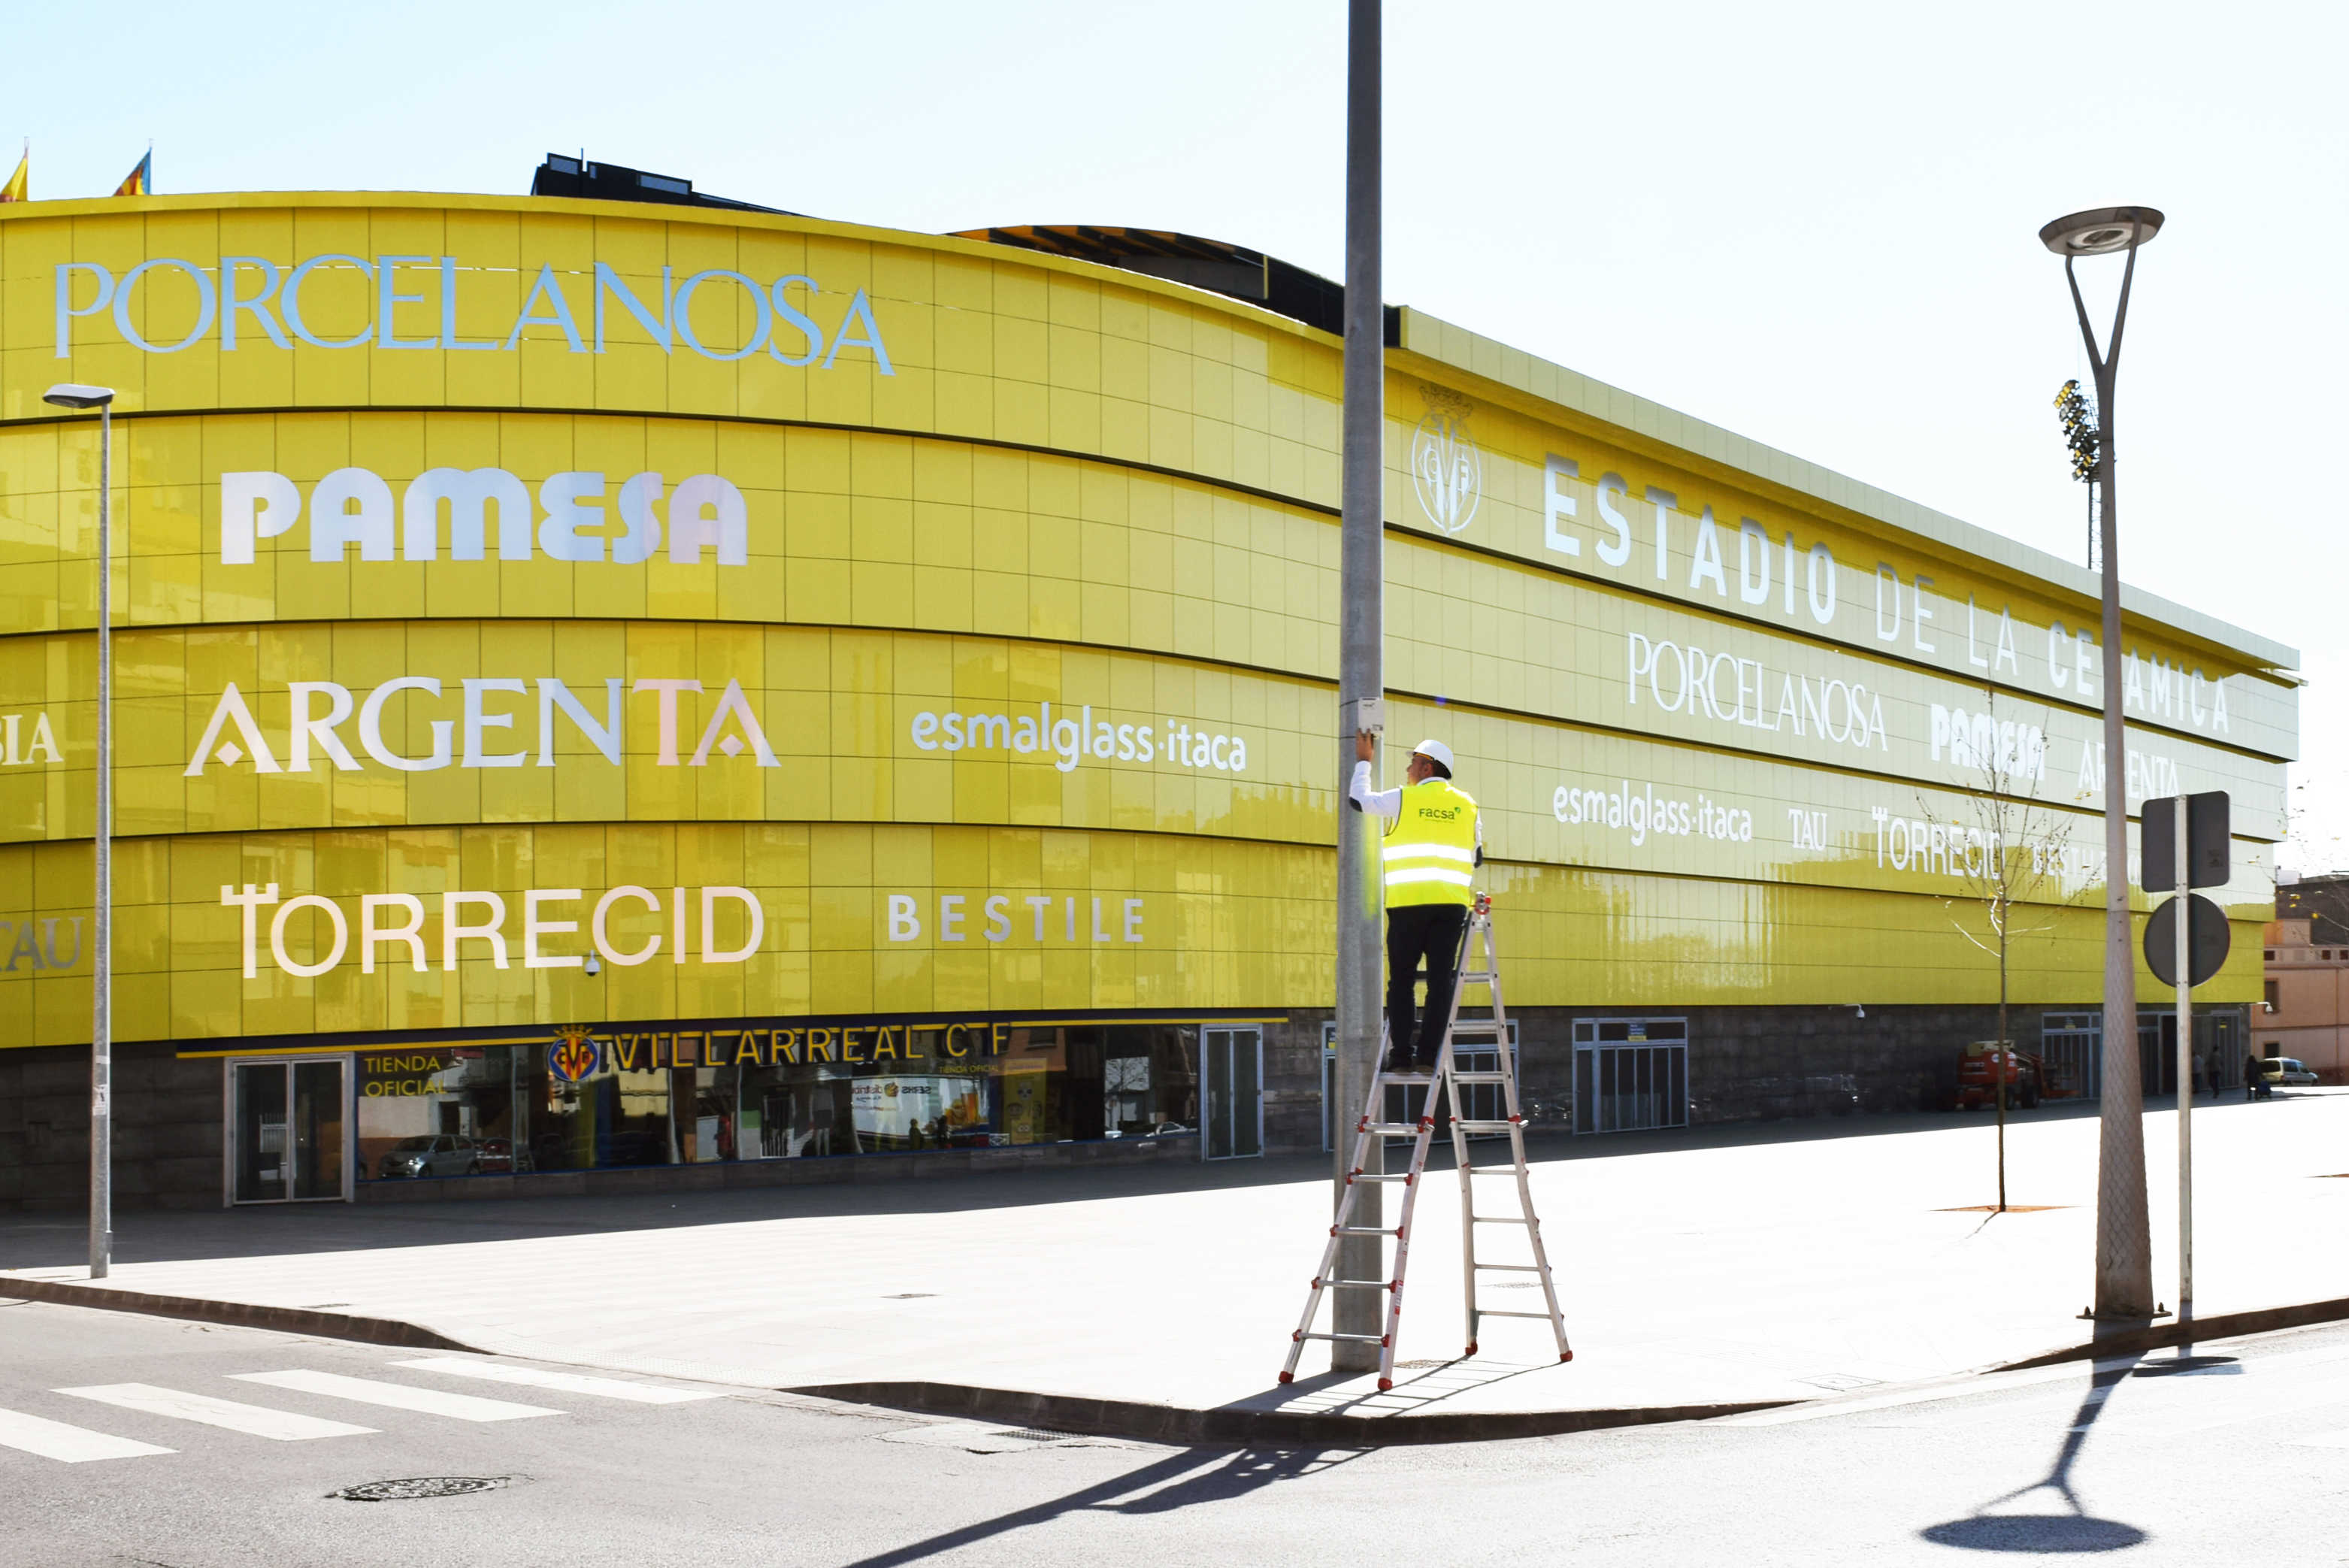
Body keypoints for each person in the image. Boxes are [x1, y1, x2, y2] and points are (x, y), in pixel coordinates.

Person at [1351, 731, 1483, 1076]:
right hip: (1451, 908)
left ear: (1427, 768)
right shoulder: (1469, 806)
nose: (1408, 769)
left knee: (1402, 980)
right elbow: (1477, 856)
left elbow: (1359, 801)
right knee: (1441, 982)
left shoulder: (1404, 799)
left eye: (1413, 763)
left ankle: (1401, 1056)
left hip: (1408, 905)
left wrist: (1364, 762)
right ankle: (1428, 1056)